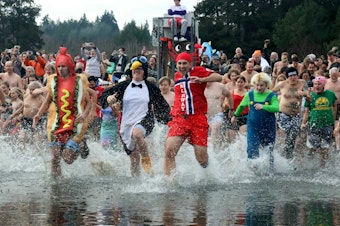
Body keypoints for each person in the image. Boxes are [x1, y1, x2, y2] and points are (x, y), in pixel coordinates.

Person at [104, 56, 171, 176]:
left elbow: (163, 106)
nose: (137, 71)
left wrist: (170, 121)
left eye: (140, 69)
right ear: (131, 70)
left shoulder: (151, 88)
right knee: (134, 158)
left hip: (145, 119)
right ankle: (136, 182)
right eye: (135, 68)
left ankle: (149, 169)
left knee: (137, 134)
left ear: (144, 71)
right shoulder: (123, 86)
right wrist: (108, 98)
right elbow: (105, 95)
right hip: (126, 122)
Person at [33, 47, 92, 177]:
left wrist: (85, 114)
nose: (60, 69)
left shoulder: (79, 81)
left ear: (70, 66)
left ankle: (81, 145)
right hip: (56, 122)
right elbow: (48, 101)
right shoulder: (53, 81)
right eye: (58, 66)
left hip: (75, 121)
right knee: (55, 157)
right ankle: (56, 183)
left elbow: (89, 102)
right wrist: (38, 114)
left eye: (63, 66)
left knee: (67, 159)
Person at [164, 52, 222, 176]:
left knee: (201, 159)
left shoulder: (198, 71)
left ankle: (209, 172)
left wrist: (202, 79)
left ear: (190, 64)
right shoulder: (176, 76)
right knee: (169, 151)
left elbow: (218, 77)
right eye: (179, 63)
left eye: (185, 63)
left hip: (198, 118)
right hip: (180, 118)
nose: (182, 66)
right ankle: (169, 183)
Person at [231, 72, 279, 168]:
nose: (259, 88)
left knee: (268, 149)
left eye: (262, 85)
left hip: (268, 127)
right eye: (257, 85)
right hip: (253, 127)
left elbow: (276, 108)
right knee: (252, 148)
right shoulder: (250, 94)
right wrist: (235, 115)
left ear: (266, 85)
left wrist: (264, 106)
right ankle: (252, 171)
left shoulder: (271, 95)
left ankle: (270, 170)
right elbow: (241, 106)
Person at [272, 67, 308, 159]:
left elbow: (309, 95)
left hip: (296, 115)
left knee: (293, 135)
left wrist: (304, 94)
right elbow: (271, 92)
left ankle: (288, 154)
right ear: (287, 77)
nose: (293, 78)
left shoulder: (302, 83)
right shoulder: (282, 84)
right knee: (288, 134)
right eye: (291, 76)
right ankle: (284, 153)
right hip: (283, 114)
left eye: (295, 75)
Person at [301, 76, 337, 168]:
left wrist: (333, 123)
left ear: (324, 85)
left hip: (327, 124)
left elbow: (334, 107)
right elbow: (306, 111)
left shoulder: (331, 94)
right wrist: (303, 123)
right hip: (314, 124)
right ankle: (309, 165)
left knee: (325, 148)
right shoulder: (310, 96)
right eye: (315, 84)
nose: (317, 86)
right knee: (312, 147)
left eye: (319, 84)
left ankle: (322, 167)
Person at [205, 81, 234, 150]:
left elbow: (229, 95)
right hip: (203, 115)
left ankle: (212, 150)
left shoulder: (220, 86)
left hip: (216, 114)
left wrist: (231, 109)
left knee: (215, 127)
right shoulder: (197, 86)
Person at [325, 67, 340, 151]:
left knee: (337, 125)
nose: (334, 77)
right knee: (330, 125)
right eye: (332, 76)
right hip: (328, 107)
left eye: (335, 75)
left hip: (339, 106)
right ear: (329, 75)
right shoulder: (326, 82)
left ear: (338, 74)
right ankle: (330, 143)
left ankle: (338, 147)